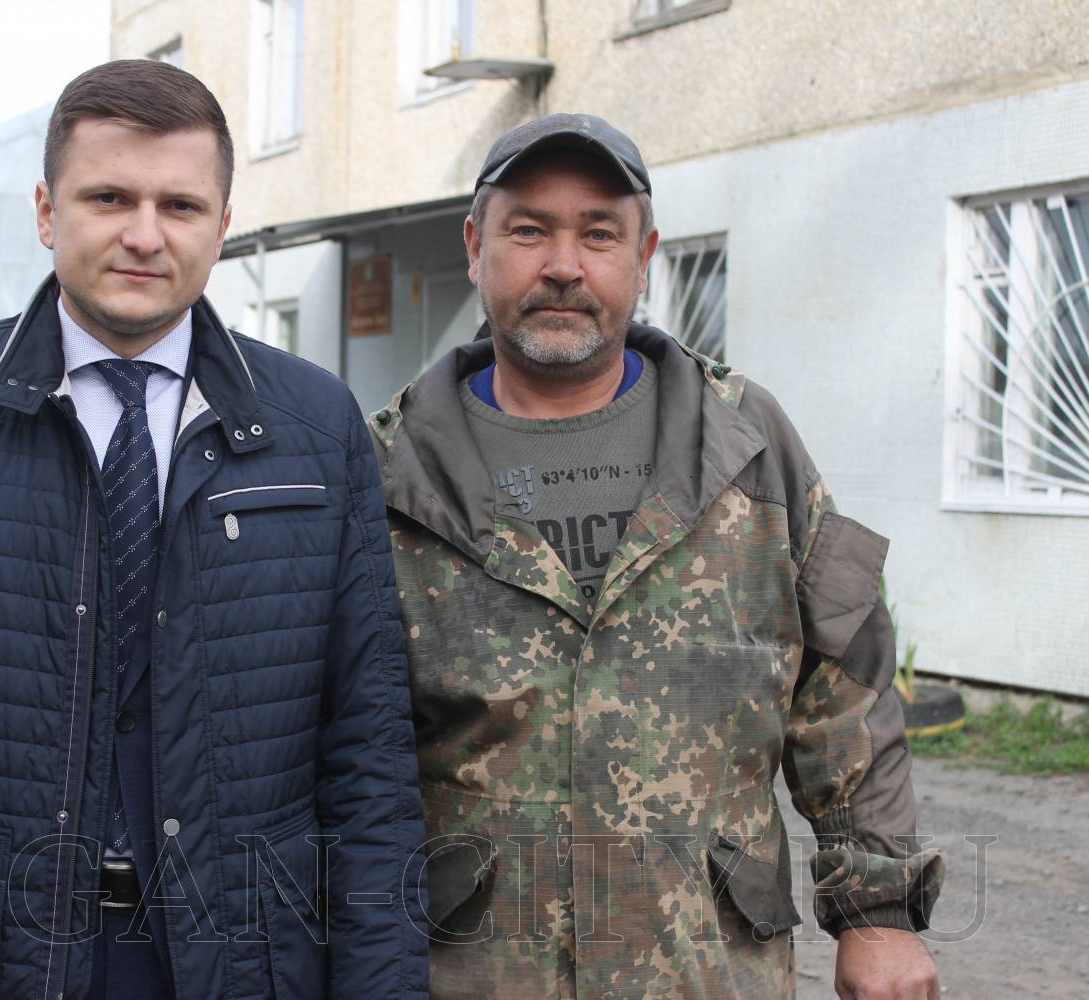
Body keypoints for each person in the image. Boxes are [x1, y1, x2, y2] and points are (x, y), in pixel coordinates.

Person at [0, 60, 428, 1000]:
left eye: (180, 205)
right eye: (110, 197)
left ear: (223, 226)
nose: (144, 235)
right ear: (48, 212)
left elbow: (370, 761)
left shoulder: (317, 429)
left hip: (243, 963)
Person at [370, 113, 945, 999]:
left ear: (644, 256)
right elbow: (335, 744)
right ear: (476, 245)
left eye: (600, 233)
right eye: (530, 230)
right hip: (477, 971)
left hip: (707, 966)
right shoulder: (390, 471)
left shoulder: (745, 443)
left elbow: (843, 690)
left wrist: (880, 915)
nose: (564, 266)